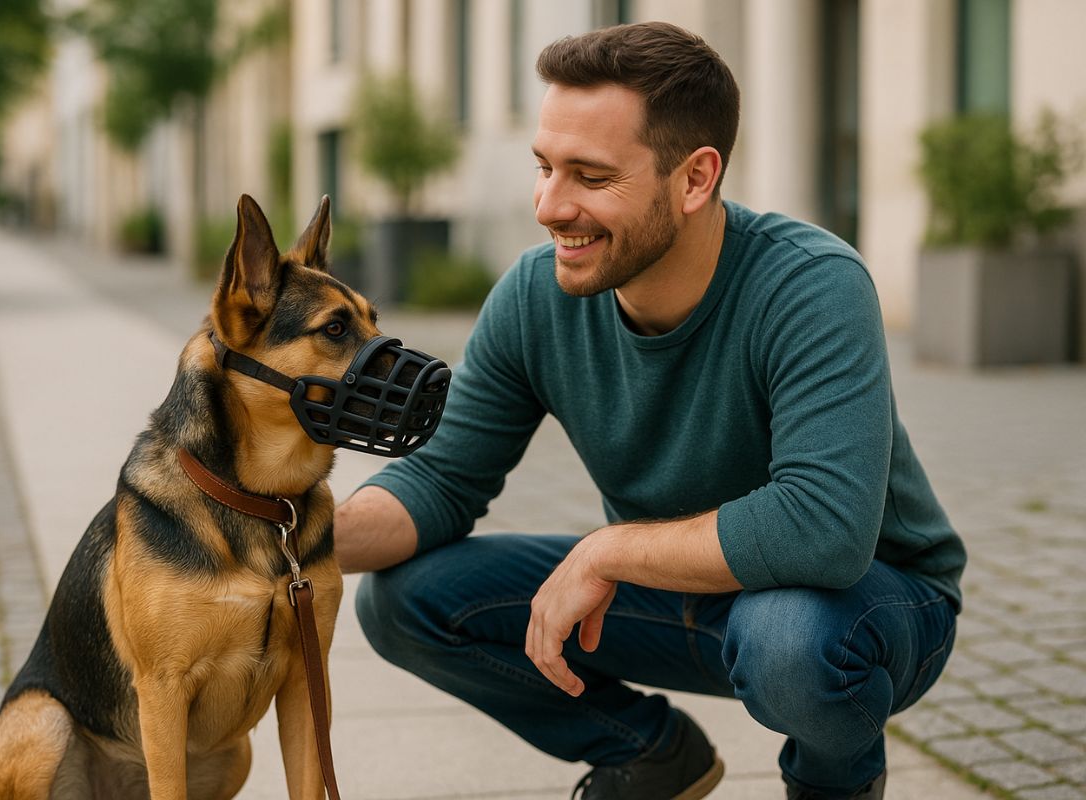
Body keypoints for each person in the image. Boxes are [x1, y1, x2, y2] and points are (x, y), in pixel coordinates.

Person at [334, 21, 966, 800]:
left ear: (695, 178)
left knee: (787, 642)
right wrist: (286, 534)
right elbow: (442, 480)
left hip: (867, 610)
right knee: (403, 600)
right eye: (545, 167)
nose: (549, 206)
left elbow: (823, 532)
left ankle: (834, 784)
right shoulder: (536, 296)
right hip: (683, 600)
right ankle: (655, 754)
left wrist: (606, 553)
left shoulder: (811, 285)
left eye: (590, 177)